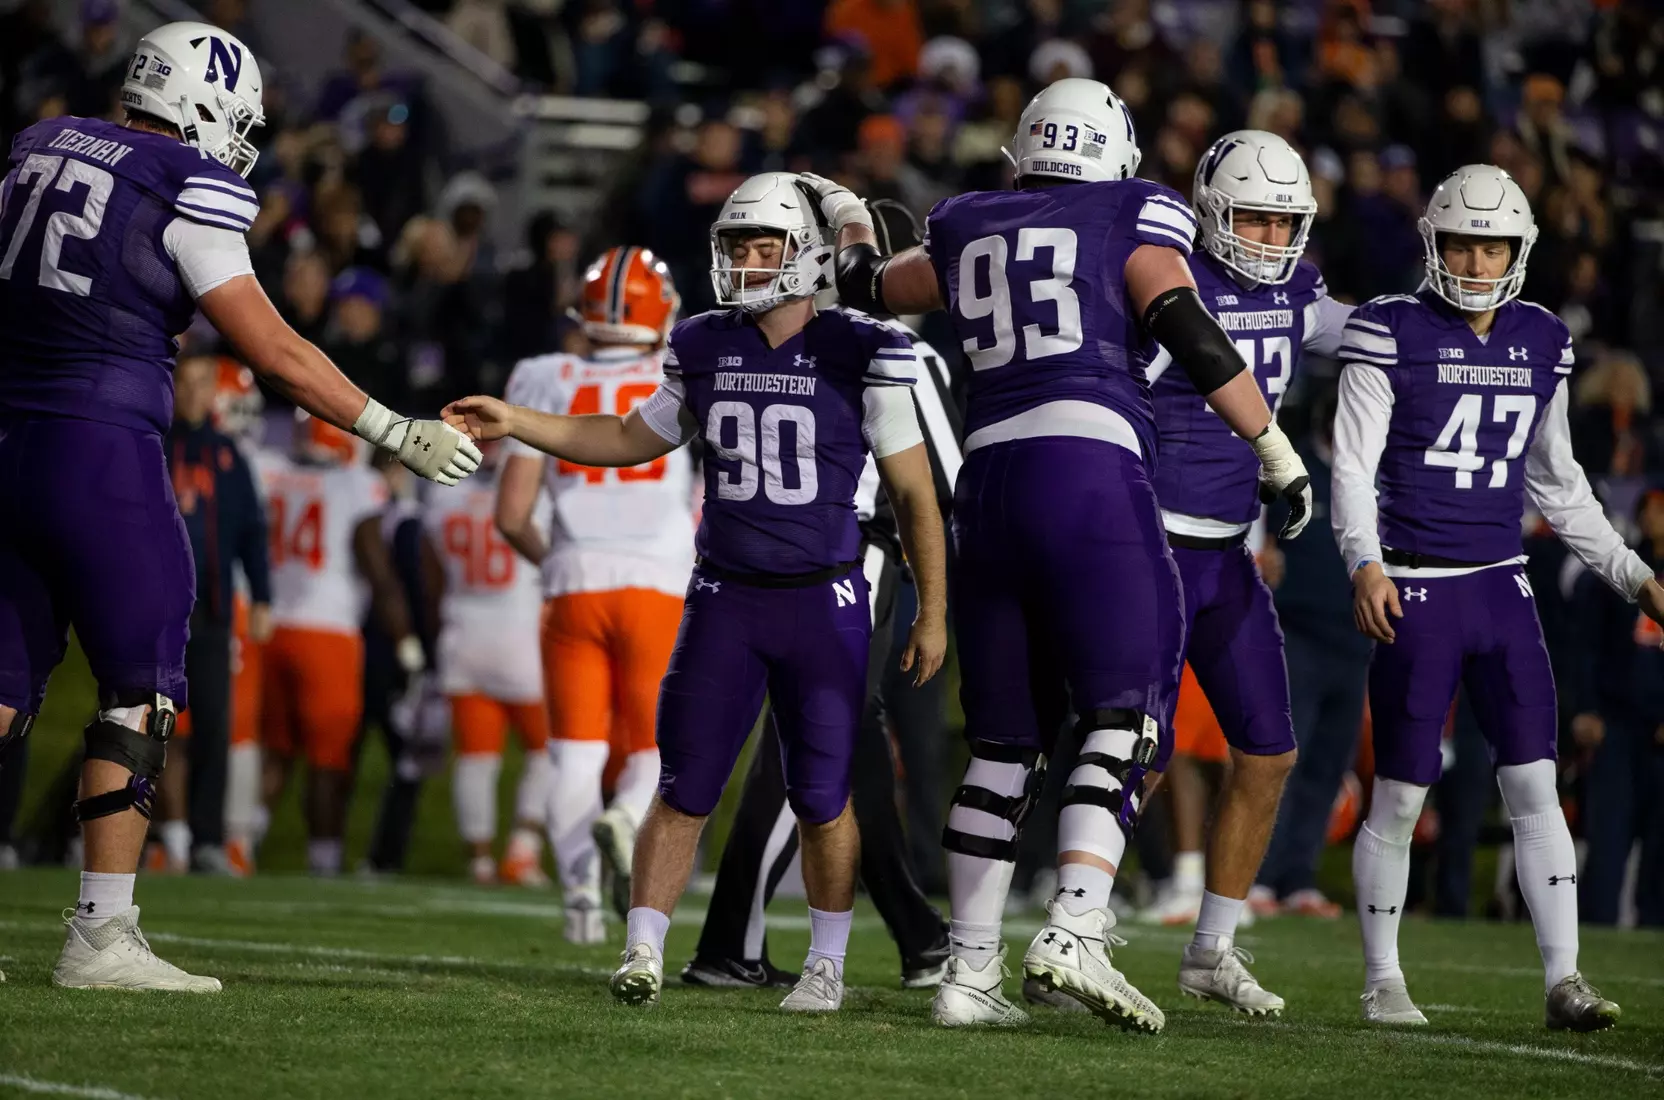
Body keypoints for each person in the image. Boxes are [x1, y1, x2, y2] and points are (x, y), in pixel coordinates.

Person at [803, 77, 1314, 1031]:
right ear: (1113, 149)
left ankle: (968, 973)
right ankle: (1075, 929)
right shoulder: (1133, 206)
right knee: (1126, 716)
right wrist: (1274, 447)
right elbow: (1185, 327)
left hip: (986, 484)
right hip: (1089, 469)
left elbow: (872, 289)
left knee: (1003, 743)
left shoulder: (963, 220)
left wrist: (846, 220)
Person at [0, 20, 477, 992]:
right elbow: (274, 350)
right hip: (101, 447)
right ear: (204, 101)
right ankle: (101, 934)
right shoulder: (185, 180)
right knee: (142, 682)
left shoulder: (35, 145)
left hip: (7, 440)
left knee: (4, 686)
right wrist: (393, 427)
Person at [446, 171, 949, 1013]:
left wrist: (933, 608)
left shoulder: (865, 345)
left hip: (822, 595)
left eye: (766, 247)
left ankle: (826, 963)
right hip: (725, 595)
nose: (749, 262)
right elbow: (624, 435)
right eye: (737, 246)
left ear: (808, 255)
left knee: (824, 796)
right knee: (684, 784)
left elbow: (913, 496)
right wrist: (521, 422)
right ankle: (641, 948)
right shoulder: (703, 341)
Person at [1332, 163, 1664, 1031]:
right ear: (1433, 243)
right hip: (1417, 584)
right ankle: (1382, 979)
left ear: (1520, 248)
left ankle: (1565, 979)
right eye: (1462, 242)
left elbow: (1559, 487)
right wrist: (1364, 561)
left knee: (1536, 786)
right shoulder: (1389, 329)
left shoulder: (1543, 339)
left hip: (1501, 587)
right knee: (1401, 794)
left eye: (1493, 244)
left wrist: (1636, 578)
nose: (1478, 260)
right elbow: (1354, 468)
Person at [685, 203, 962, 990]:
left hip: (782, 559)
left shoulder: (778, 337)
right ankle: (732, 942)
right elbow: (943, 487)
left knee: (842, 745)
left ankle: (914, 933)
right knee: (816, 744)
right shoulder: (890, 345)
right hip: (850, 557)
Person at [1139, 130, 1354, 1015]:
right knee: (1130, 752)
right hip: (1148, 540)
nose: (1269, 238)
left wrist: (1433, 328)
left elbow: (1360, 331)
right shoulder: (1166, 279)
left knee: (1268, 752)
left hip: (1227, 551)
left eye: (1282, 222)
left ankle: (1213, 948)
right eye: (1255, 219)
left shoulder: (1299, 287)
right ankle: (1069, 923)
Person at [494, 246, 695, 943]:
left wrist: (566, 563)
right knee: (654, 749)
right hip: (658, 579)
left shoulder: (543, 377)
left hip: (575, 579)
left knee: (574, 750)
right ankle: (627, 816)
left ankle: (578, 893)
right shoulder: (684, 366)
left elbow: (513, 515)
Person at [255, 415, 425, 876]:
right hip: (327, 632)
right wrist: (407, 642)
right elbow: (378, 569)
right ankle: (323, 863)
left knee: (275, 749)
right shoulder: (357, 485)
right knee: (329, 760)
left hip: (270, 629)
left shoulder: (272, 472)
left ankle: (238, 845)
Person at [162, 354, 272, 874]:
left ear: (215, 392)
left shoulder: (229, 454)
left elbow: (252, 534)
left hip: (212, 610)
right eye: (184, 382)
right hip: (154, 606)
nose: (192, 392)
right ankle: (151, 833)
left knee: (212, 726)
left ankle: (207, 839)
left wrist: (264, 597)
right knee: (142, 721)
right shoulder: (154, 445)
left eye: (202, 383)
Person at [424, 443, 551, 886]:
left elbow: (431, 573)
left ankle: (478, 861)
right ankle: (522, 849)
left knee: (477, 759)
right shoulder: (536, 495)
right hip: (518, 637)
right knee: (549, 750)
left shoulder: (444, 497)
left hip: (462, 633)